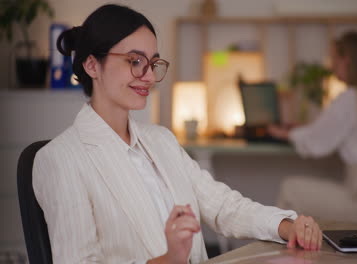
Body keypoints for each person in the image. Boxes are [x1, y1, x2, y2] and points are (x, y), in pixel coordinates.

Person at [32, 4, 322, 264]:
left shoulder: (161, 141)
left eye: (153, 63)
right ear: (92, 65)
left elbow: (222, 207)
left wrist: (286, 226)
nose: (147, 76)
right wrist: (168, 260)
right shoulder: (60, 160)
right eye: (134, 61)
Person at [268, 31, 357, 223]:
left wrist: (284, 133)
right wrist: (302, 128)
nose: (331, 63)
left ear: (346, 60)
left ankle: (272, 250)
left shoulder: (349, 98)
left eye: (335, 57)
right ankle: (289, 248)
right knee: (297, 191)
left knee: (289, 188)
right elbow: (328, 130)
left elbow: (317, 141)